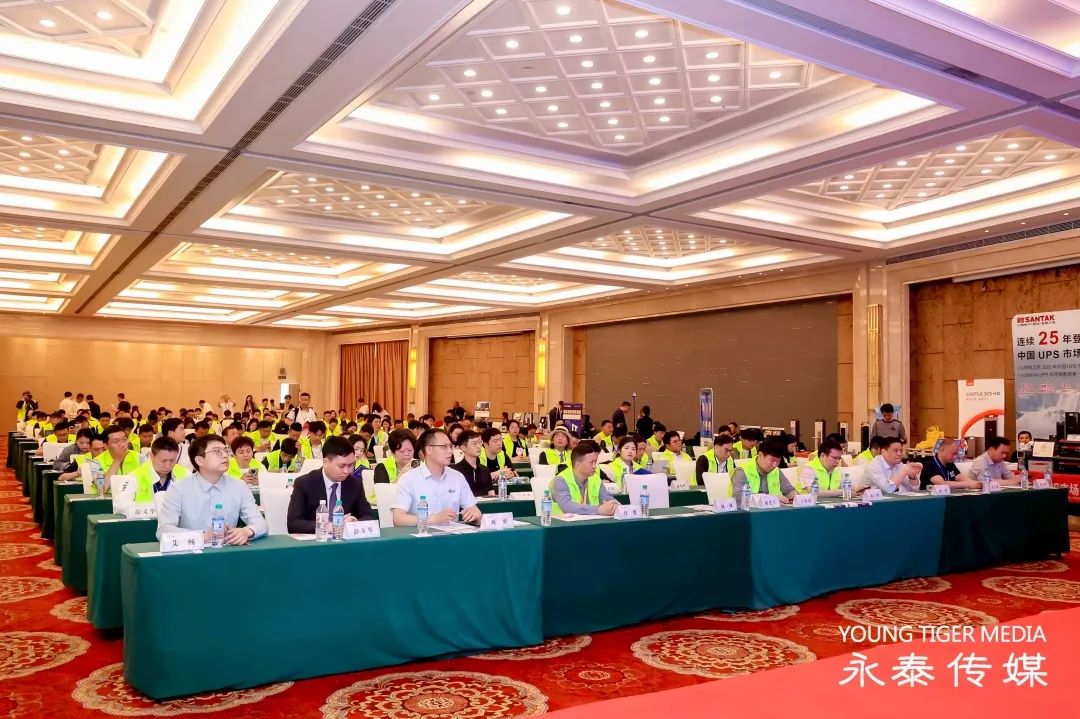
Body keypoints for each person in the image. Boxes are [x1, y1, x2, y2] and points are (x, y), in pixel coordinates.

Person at [156, 434, 267, 543]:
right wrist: (202, 536)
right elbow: (164, 531)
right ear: (199, 460)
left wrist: (247, 531)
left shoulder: (239, 486)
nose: (225, 455)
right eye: (217, 451)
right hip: (191, 551)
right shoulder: (178, 489)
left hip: (227, 550)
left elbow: (261, 523)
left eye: (225, 450)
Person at [392, 428, 482, 526]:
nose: (450, 451)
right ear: (428, 450)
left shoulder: (457, 477)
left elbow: (475, 511)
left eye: (450, 446)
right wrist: (432, 519)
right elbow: (398, 519)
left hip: (451, 533)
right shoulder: (409, 479)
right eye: (443, 447)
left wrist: (475, 515)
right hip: (421, 533)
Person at [286, 436, 375, 533]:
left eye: (350, 465)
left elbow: (369, 516)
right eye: (341, 466)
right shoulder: (304, 483)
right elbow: (293, 523)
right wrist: (327, 526)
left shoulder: (354, 484)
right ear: (326, 462)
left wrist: (355, 523)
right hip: (316, 539)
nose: (347, 471)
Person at [551, 441, 620, 516]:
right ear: (578, 464)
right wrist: (598, 510)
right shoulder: (560, 480)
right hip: (563, 522)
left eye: (595, 462)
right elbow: (566, 506)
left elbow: (607, 498)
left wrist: (615, 505)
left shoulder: (595, 478)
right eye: (591, 462)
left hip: (591, 521)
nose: (594, 466)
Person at [730, 437, 796, 503]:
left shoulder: (776, 471)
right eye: (772, 460)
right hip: (749, 509)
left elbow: (789, 490)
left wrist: (796, 497)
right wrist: (771, 498)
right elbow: (738, 496)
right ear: (760, 455)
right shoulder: (742, 471)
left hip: (773, 508)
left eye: (778, 461)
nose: (774, 465)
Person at [130, 437, 190, 502]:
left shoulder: (186, 475)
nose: (168, 465)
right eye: (163, 461)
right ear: (151, 456)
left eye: (172, 460)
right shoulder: (134, 477)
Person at [857, 437, 922, 494]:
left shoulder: (899, 464)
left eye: (901, 450)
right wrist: (904, 471)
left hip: (888, 500)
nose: (899, 454)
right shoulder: (874, 466)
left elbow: (914, 490)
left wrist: (912, 477)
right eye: (895, 451)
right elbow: (888, 489)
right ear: (883, 451)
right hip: (868, 501)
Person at [451, 429, 493, 497]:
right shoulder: (455, 471)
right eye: (474, 443)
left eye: (480, 442)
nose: (479, 446)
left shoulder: (485, 470)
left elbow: (491, 495)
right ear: (463, 447)